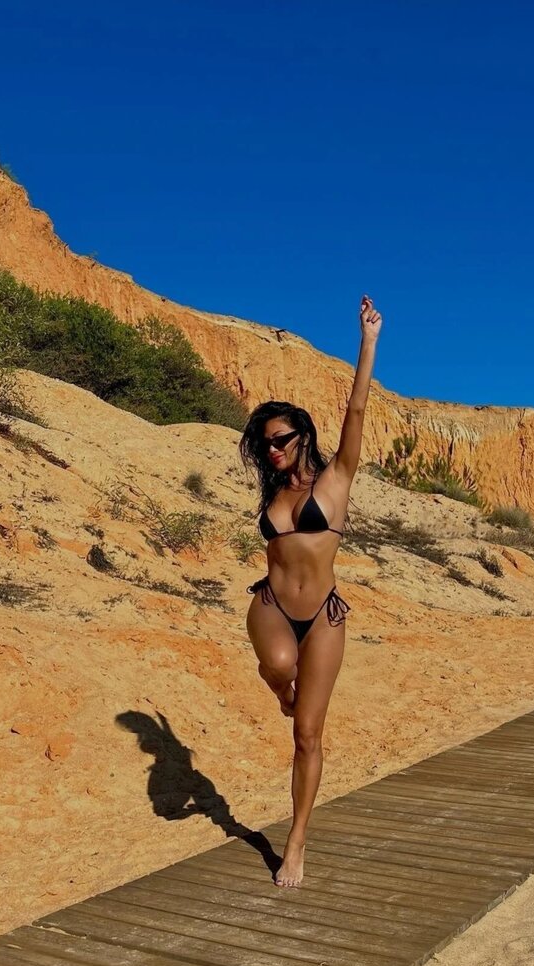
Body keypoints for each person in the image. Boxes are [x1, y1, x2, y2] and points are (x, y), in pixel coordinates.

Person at [237, 294, 382, 887]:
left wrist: (368, 341)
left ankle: (296, 840)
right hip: (271, 604)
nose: (271, 450)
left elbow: (356, 409)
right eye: (265, 443)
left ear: (302, 437)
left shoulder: (336, 479)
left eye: (280, 440)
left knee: (308, 735)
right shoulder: (273, 493)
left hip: (323, 614)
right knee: (277, 664)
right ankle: (282, 690)